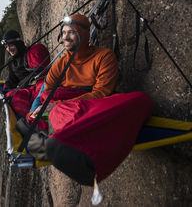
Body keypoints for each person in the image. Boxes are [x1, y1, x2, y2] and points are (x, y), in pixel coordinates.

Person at [19, 13, 153, 186]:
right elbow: (46, 94)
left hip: (88, 105)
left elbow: (102, 93)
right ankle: (54, 142)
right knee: (54, 110)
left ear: (83, 34)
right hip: (62, 110)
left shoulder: (104, 57)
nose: (65, 37)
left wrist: (60, 105)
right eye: (64, 32)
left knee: (142, 100)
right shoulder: (59, 65)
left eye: (71, 32)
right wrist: (39, 109)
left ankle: (48, 141)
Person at [1, 30, 50, 117]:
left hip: (37, 87)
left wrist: (21, 87)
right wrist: (5, 91)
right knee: (11, 96)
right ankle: (28, 117)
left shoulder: (31, 53)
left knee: (42, 89)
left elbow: (41, 74)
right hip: (26, 91)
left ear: (18, 44)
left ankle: (35, 118)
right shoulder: (12, 62)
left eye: (11, 45)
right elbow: (12, 79)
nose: (9, 49)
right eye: (6, 47)